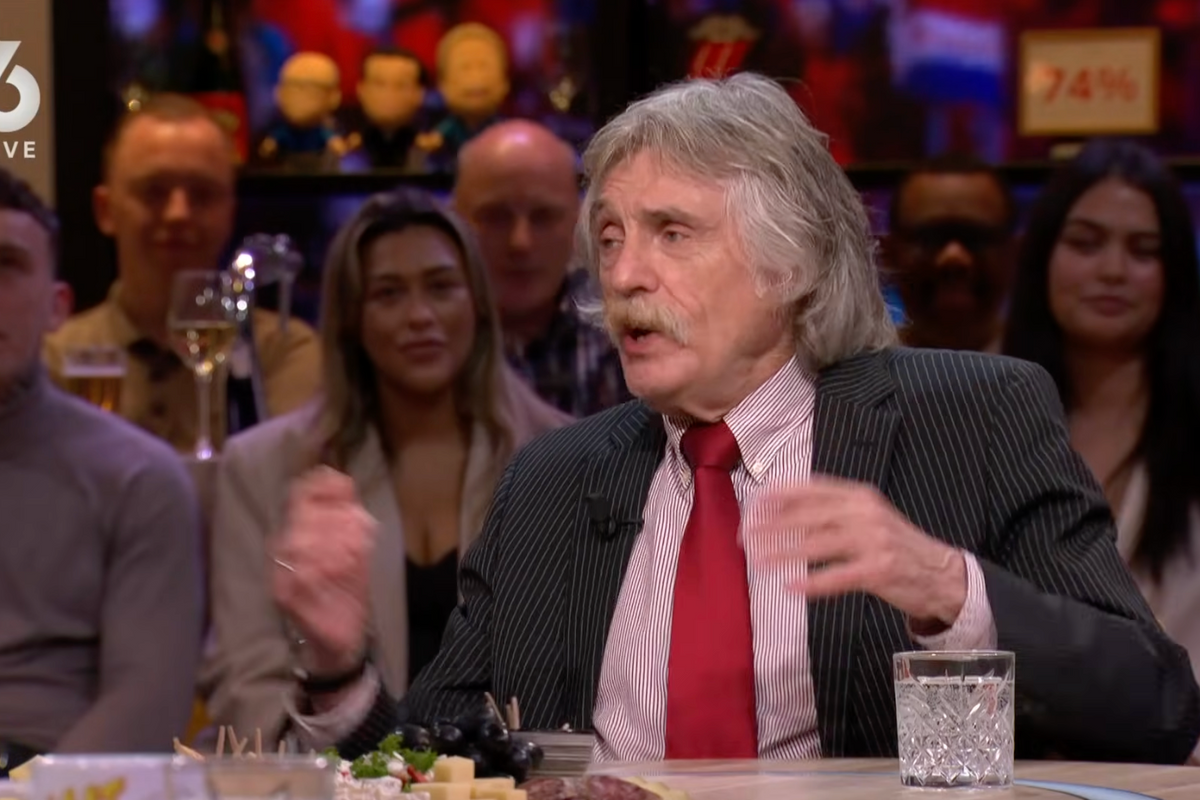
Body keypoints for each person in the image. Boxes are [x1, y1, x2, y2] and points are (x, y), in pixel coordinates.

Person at [271, 74, 1200, 764]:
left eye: (672, 233)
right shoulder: (551, 482)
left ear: (790, 263)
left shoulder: (970, 419)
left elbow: (1157, 708)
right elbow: (434, 768)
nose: (624, 274)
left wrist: (946, 588)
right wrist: (339, 672)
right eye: (609, 237)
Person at [206, 188, 571, 744]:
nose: (420, 316)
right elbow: (247, 683)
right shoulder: (261, 468)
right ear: (351, 319)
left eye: (441, 287)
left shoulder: (563, 459)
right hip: (329, 774)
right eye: (388, 293)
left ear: (478, 303)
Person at [0, 169, 204, 764]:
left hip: (54, 775)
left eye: (5, 264)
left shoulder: (140, 480)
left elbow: (147, 704)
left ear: (57, 307)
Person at [1003, 139, 1200, 689]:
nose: (1113, 270)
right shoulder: (983, 421)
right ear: (1041, 256)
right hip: (1023, 736)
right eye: (1085, 244)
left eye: (1144, 251)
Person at [43, 94, 322, 454]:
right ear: (105, 210)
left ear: (230, 212)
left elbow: (288, 479)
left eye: (202, 195)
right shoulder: (53, 357)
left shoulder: (281, 352)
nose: (178, 213)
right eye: (154, 192)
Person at [453, 120, 629, 417]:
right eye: (496, 216)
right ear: (455, 220)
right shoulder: (425, 336)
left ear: (579, 222)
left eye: (543, 216)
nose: (520, 242)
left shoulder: (622, 330)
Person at [883, 153, 1018, 352]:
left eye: (975, 237)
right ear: (890, 253)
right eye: (930, 238)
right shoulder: (850, 367)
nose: (953, 257)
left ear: (1014, 253)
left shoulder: (1053, 365)